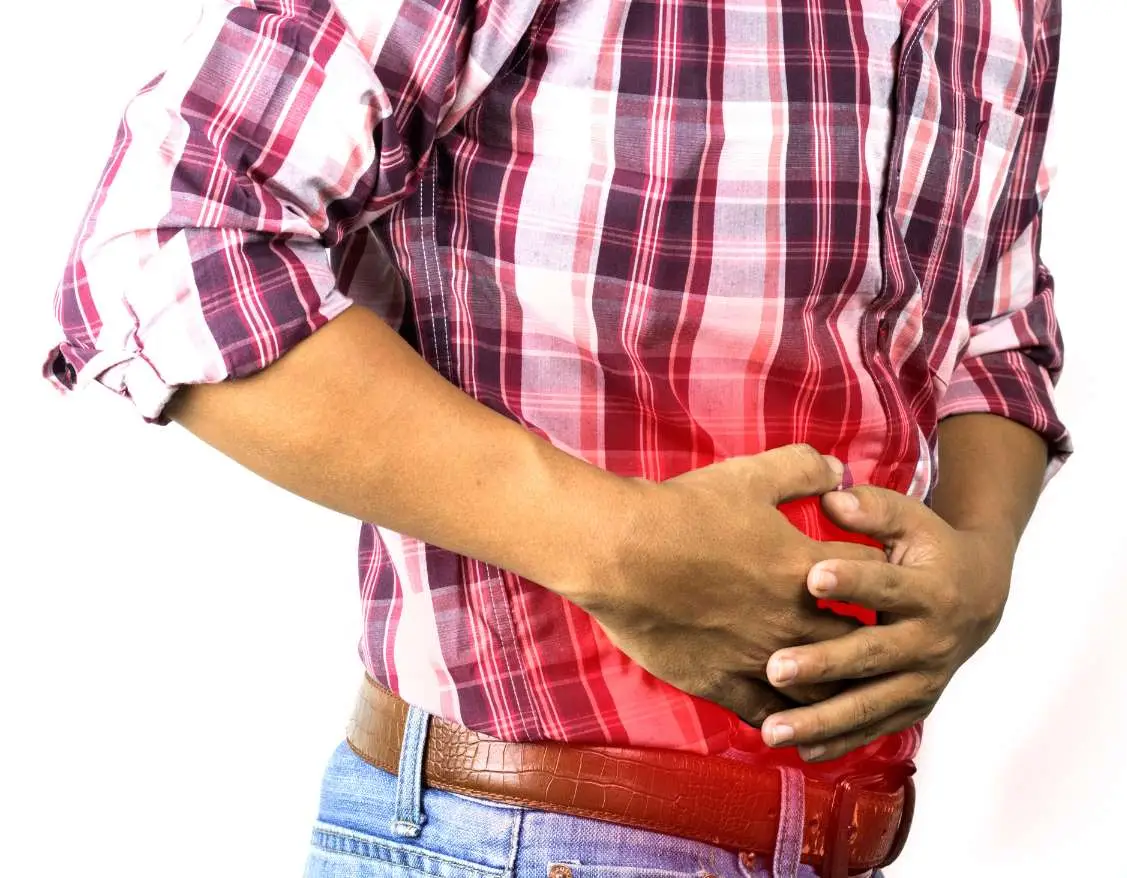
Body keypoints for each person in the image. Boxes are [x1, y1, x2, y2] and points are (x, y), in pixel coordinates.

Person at [42, 0, 1069, 874]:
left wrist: (980, 553)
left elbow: (995, 319)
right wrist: (617, 547)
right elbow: (167, 244)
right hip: (518, 834)